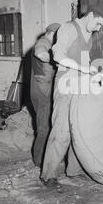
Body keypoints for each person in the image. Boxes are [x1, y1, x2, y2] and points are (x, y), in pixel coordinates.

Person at [40, 8, 103, 187]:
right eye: (98, 23)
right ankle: (49, 175)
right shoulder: (68, 28)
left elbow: (84, 62)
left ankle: (74, 170)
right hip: (66, 83)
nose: (99, 29)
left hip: (81, 84)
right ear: (91, 15)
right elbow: (58, 55)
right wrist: (84, 69)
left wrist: (93, 78)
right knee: (62, 129)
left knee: (79, 127)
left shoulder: (89, 35)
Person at [30, 23, 61, 167]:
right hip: (43, 91)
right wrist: (59, 60)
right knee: (44, 127)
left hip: (40, 88)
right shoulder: (44, 42)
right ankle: (40, 160)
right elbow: (40, 54)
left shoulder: (47, 42)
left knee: (46, 124)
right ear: (52, 33)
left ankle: (43, 157)